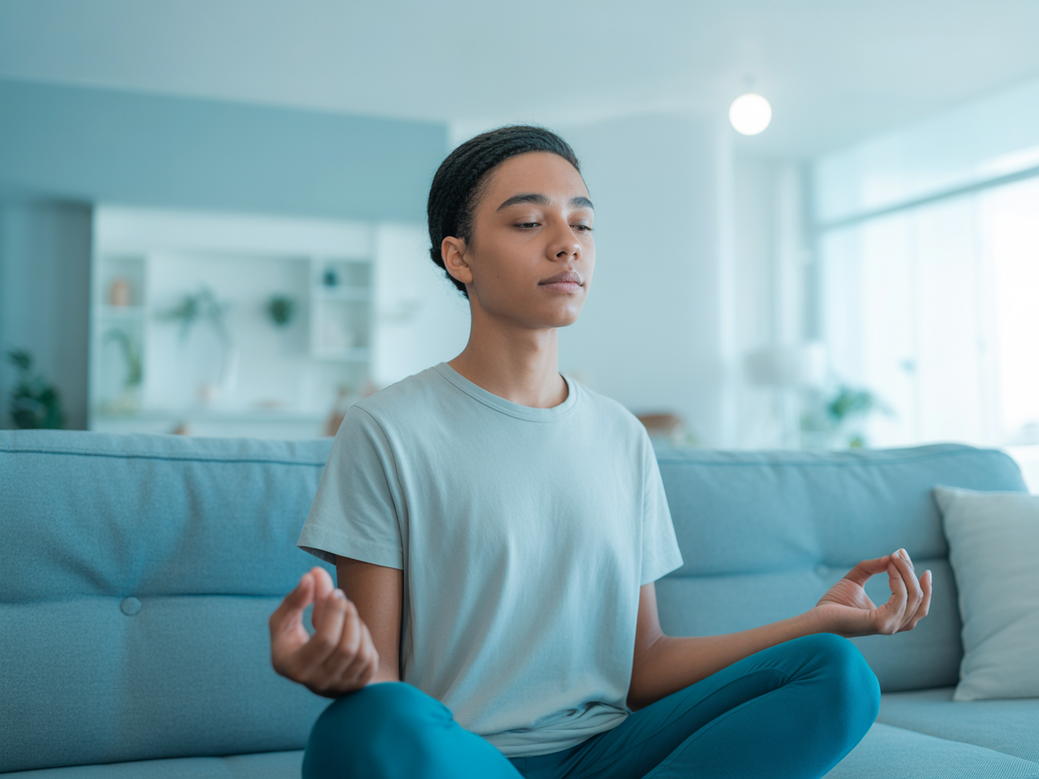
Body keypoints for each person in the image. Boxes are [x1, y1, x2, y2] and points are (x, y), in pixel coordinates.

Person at [268, 126, 932, 778]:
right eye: (528, 223)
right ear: (459, 257)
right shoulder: (386, 429)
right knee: (362, 726)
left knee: (834, 668)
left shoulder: (621, 436)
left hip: (610, 750)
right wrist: (332, 671)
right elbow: (381, 681)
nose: (566, 246)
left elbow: (643, 665)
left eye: (581, 226)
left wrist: (814, 621)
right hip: (463, 755)